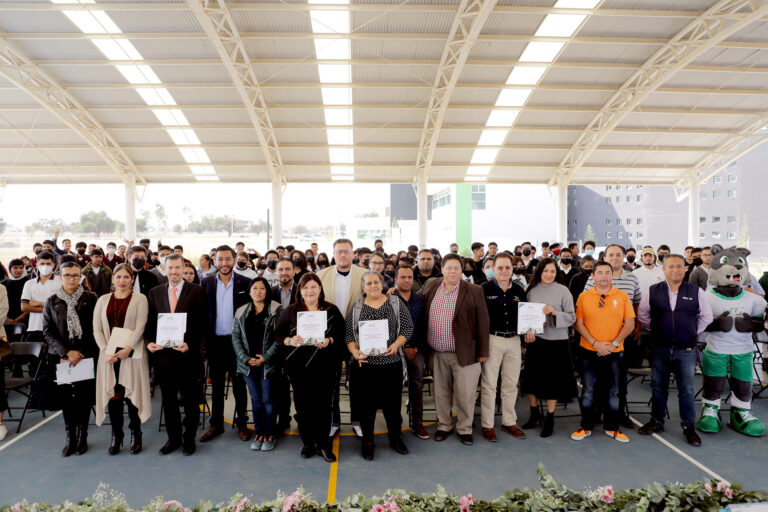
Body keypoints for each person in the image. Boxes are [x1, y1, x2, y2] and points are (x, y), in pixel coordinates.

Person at [636, 254, 712, 446]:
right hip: (659, 348)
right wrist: (657, 330)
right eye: (671, 266)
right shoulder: (653, 291)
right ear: (663, 269)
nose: (675, 270)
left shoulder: (696, 291)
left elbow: (706, 317)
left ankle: (689, 428)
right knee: (658, 387)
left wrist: (691, 332)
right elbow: (643, 315)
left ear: (685, 269)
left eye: (679, 266)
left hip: (685, 350)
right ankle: (656, 421)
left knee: (686, 389)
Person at [273, 273, 344, 462]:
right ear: (300, 291)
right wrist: (289, 340)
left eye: (313, 287)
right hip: (298, 367)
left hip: (326, 366)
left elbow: (341, 334)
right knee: (303, 406)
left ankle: (323, 444)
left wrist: (329, 340)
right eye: (305, 288)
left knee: (324, 406)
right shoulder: (290, 311)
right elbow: (278, 334)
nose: (310, 291)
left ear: (320, 288)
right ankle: (307, 443)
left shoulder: (332, 310)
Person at [421, 253, 489, 445]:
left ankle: (465, 428)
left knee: (465, 393)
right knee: (441, 393)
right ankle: (444, 425)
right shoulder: (430, 285)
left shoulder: (474, 290)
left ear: (462, 270)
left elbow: (483, 322)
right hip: (437, 353)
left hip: (465, 353)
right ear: (441, 269)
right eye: (448, 268)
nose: (452, 271)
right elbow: (416, 304)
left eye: (456, 268)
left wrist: (483, 352)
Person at [346, 270, 414, 460]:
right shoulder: (357, 307)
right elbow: (349, 336)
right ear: (363, 287)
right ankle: (368, 441)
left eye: (376, 282)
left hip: (391, 364)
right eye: (369, 283)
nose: (373, 286)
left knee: (392, 406)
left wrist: (397, 344)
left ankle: (395, 438)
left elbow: (408, 328)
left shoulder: (395, 303)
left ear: (382, 283)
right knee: (366, 408)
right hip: (365, 366)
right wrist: (354, 351)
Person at [146, 254, 208, 455]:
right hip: (164, 358)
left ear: (184, 268)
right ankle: (173, 439)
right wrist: (149, 343)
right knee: (169, 401)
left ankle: (189, 439)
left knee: (191, 401)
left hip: (188, 356)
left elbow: (202, 323)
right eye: (170, 268)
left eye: (177, 268)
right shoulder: (155, 293)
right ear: (164, 268)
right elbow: (149, 325)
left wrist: (190, 344)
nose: (174, 271)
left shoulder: (197, 291)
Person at [572, 261, 636, 443]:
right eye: (599, 272)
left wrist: (614, 343)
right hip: (589, 350)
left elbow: (630, 324)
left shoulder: (622, 296)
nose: (603, 276)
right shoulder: (584, 296)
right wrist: (595, 343)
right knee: (589, 390)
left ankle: (612, 427)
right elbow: (579, 323)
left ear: (612, 275)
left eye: (607, 272)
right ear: (593, 276)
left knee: (614, 390)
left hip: (616, 351)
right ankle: (585, 425)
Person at [93, 264, 151, 455]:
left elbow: (141, 326)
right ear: (112, 279)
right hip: (109, 356)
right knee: (114, 397)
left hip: (131, 354)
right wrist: (104, 350)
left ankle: (136, 433)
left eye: (126, 277)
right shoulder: (102, 300)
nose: (122, 281)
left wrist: (128, 348)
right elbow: (97, 329)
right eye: (118, 277)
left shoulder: (140, 299)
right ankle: (116, 435)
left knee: (131, 396)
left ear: (132, 279)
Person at [42, 261, 98, 456]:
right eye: (67, 275)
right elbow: (47, 331)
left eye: (76, 275)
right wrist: (67, 352)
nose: (72, 279)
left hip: (85, 355)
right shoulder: (51, 301)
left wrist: (79, 351)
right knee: (66, 399)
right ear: (60, 277)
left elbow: (96, 329)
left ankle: (83, 436)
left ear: (81, 277)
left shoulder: (91, 298)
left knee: (83, 397)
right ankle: (70, 437)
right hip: (61, 357)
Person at [583, 244, 641, 428]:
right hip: (596, 340)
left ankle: (619, 414)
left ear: (624, 257)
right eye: (611, 255)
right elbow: (584, 308)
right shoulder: (594, 278)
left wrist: (632, 329)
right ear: (605, 257)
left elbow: (637, 303)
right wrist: (596, 341)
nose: (615, 258)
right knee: (597, 379)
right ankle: (596, 414)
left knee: (619, 380)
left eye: (618, 255)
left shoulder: (632, 278)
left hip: (622, 338)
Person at [200, 245, 253, 443]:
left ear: (235, 260)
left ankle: (242, 424)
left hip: (236, 343)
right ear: (214, 261)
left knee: (239, 385)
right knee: (217, 385)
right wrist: (203, 341)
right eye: (220, 259)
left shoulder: (246, 283)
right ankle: (216, 424)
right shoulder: (205, 283)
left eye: (228, 259)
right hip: (214, 342)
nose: (224, 263)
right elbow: (202, 313)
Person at [520, 258, 577, 438]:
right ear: (539, 272)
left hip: (557, 343)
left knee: (553, 383)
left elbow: (571, 317)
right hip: (536, 342)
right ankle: (534, 413)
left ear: (556, 272)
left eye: (552, 271)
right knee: (530, 380)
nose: (549, 274)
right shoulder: (530, 290)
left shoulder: (563, 291)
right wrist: (526, 334)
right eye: (545, 271)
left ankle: (550, 417)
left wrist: (554, 313)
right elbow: (524, 316)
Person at [317, 238, 366, 437]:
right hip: (331, 338)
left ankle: (358, 420)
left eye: (346, 251)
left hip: (359, 338)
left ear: (353, 254)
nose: (343, 255)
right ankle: (334, 421)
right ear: (334, 254)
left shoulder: (365, 275)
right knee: (331, 381)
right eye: (339, 252)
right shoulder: (321, 275)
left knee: (358, 382)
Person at [479, 253, 527, 442]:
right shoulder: (483, 289)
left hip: (514, 340)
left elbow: (526, 315)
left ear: (512, 269)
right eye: (500, 267)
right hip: (493, 340)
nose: (504, 271)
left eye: (508, 267)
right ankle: (488, 425)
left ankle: (509, 422)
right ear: (493, 269)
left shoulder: (519, 289)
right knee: (489, 385)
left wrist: (529, 331)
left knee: (510, 384)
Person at [232, 277, 282, 452]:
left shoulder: (276, 309)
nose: (258, 291)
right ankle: (259, 433)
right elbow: (235, 337)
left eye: (262, 288)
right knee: (256, 401)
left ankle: (269, 434)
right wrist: (244, 358)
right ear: (249, 291)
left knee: (268, 400)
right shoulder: (241, 311)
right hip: (248, 364)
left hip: (267, 364)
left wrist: (266, 357)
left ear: (267, 290)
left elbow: (279, 338)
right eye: (255, 288)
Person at [392, 264, 428, 439]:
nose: (406, 280)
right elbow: (389, 328)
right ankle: (396, 424)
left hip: (416, 349)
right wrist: (402, 347)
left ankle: (417, 423)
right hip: (395, 350)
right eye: (403, 277)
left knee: (417, 385)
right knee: (394, 387)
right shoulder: (388, 299)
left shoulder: (421, 300)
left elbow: (424, 326)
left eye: (409, 277)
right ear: (396, 279)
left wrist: (415, 347)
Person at [271, 258, 296, 434]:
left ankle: (303, 418)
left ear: (294, 271)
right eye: (281, 270)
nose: (284, 273)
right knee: (280, 386)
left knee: (300, 385)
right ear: (276, 272)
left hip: (300, 345)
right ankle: (284, 418)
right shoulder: (270, 292)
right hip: (278, 345)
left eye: (288, 269)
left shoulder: (303, 291)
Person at [21, 250, 60, 342]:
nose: (45, 266)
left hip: (55, 328)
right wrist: (48, 307)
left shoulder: (61, 282)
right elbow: (24, 307)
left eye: (48, 264)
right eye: (42, 263)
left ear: (53, 265)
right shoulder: (29, 283)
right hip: (34, 327)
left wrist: (37, 303)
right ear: (37, 265)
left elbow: (60, 307)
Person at [3, 258, 30, 326]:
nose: (19, 270)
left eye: (21, 268)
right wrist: (6, 318)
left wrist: (21, 317)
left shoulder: (29, 283)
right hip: (6, 318)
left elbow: (32, 301)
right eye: (15, 268)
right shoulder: (3, 284)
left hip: (26, 318)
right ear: (10, 269)